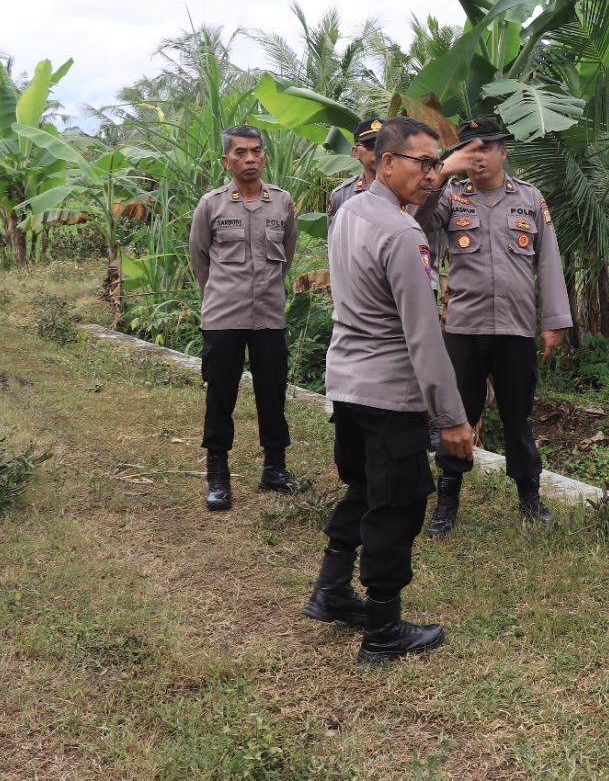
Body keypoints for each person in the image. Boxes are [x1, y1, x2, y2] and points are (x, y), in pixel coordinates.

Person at [302, 116, 476, 663]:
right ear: (387, 160)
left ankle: (331, 590)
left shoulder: (349, 211)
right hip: (389, 392)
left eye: (437, 164)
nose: (433, 175)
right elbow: (424, 337)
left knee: (361, 488)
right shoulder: (403, 235)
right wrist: (451, 416)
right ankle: (382, 628)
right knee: (395, 505)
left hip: (348, 383)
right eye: (423, 163)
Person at [414, 116, 572, 537]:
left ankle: (529, 494)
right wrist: (444, 170)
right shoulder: (450, 196)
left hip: (516, 330)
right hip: (464, 329)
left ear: (503, 151)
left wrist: (553, 321)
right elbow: (418, 222)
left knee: (517, 415)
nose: (478, 156)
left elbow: (549, 261)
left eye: (486, 147)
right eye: (470, 149)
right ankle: (447, 498)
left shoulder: (530, 199)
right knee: (456, 414)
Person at [188, 124, 304, 511]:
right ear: (226, 160)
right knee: (221, 394)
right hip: (224, 316)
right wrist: (224, 293)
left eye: (256, 151)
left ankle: (275, 468)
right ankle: (217, 474)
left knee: (271, 392)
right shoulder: (212, 204)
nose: (250, 158)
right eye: (240, 152)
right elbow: (199, 258)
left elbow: (286, 254)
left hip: (269, 315)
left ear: (264, 156)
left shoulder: (282, 203)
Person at [326, 117, 383, 231]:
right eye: (371, 146)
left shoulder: (407, 192)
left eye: (383, 144)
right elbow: (335, 240)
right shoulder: (341, 195)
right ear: (356, 152)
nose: (378, 152)